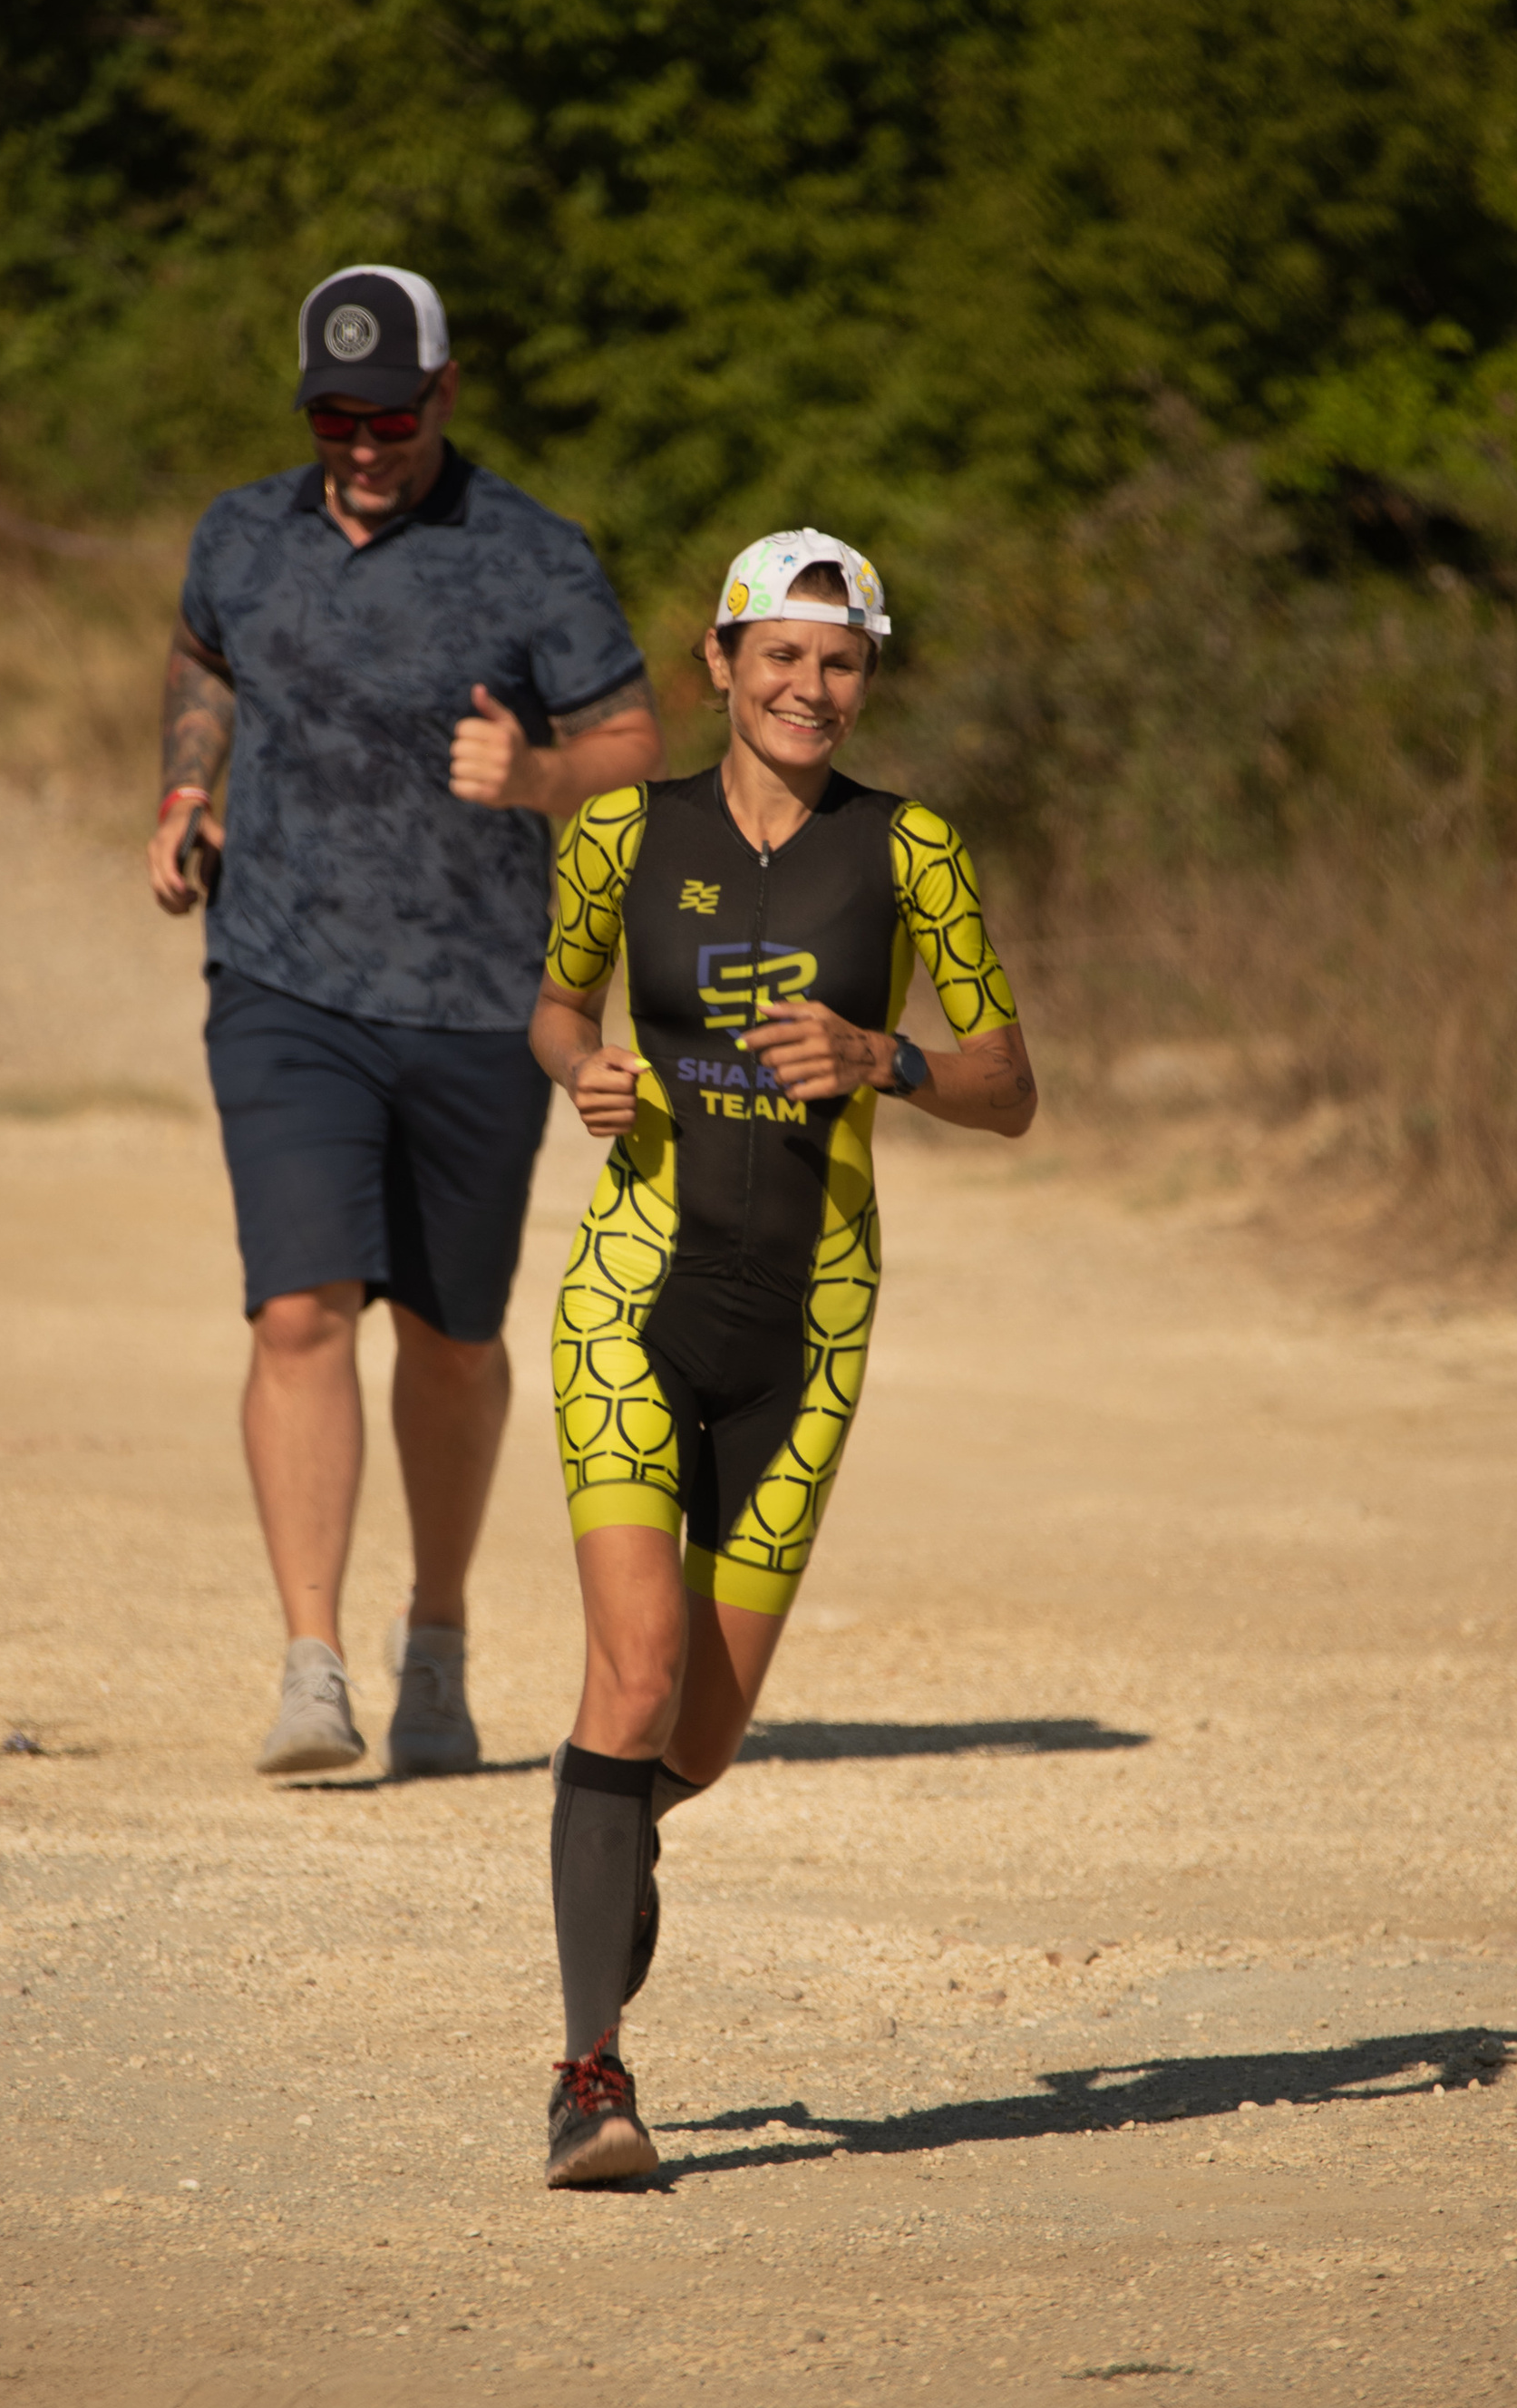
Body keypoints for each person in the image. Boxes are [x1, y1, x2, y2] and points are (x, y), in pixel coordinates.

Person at [528, 528, 1036, 2184]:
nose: (811, 687)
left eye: (843, 662)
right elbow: (555, 1002)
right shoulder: (622, 832)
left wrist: (883, 1052)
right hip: (631, 1296)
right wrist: (583, 1068)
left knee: (701, 1736)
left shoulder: (915, 855)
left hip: (810, 1325)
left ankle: (607, 1830)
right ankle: (590, 2076)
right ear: (723, 663)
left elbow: (1012, 1085)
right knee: (631, 1657)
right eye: (783, 657)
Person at [150, 264, 662, 1779]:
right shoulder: (243, 530)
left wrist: (542, 779)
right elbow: (203, 653)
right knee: (299, 1308)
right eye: (333, 413)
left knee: (452, 1335)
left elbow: (632, 742)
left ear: (446, 392)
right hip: (283, 978)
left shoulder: (529, 555)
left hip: (476, 999)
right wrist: (187, 788)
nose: (361, 441)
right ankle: (311, 1667)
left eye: (390, 412)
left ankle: (433, 1636)